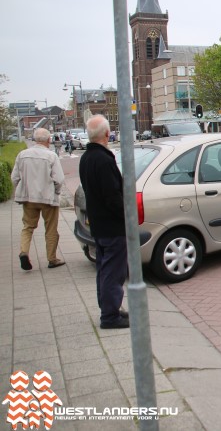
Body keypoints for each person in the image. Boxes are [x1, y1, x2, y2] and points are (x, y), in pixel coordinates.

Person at [79, 115, 129, 329]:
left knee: (104, 268)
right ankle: (110, 316)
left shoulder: (86, 158)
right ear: (108, 134)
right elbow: (112, 198)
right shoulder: (104, 160)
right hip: (112, 227)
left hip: (98, 225)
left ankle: (109, 308)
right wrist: (127, 216)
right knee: (113, 271)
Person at [11, 128, 66, 270]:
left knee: (28, 227)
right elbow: (59, 179)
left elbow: (15, 177)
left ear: (35, 139)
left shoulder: (22, 155)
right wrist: (56, 193)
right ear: (48, 140)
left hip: (29, 198)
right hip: (48, 198)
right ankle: (52, 259)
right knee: (51, 229)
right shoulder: (51, 156)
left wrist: (22, 190)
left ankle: (24, 251)